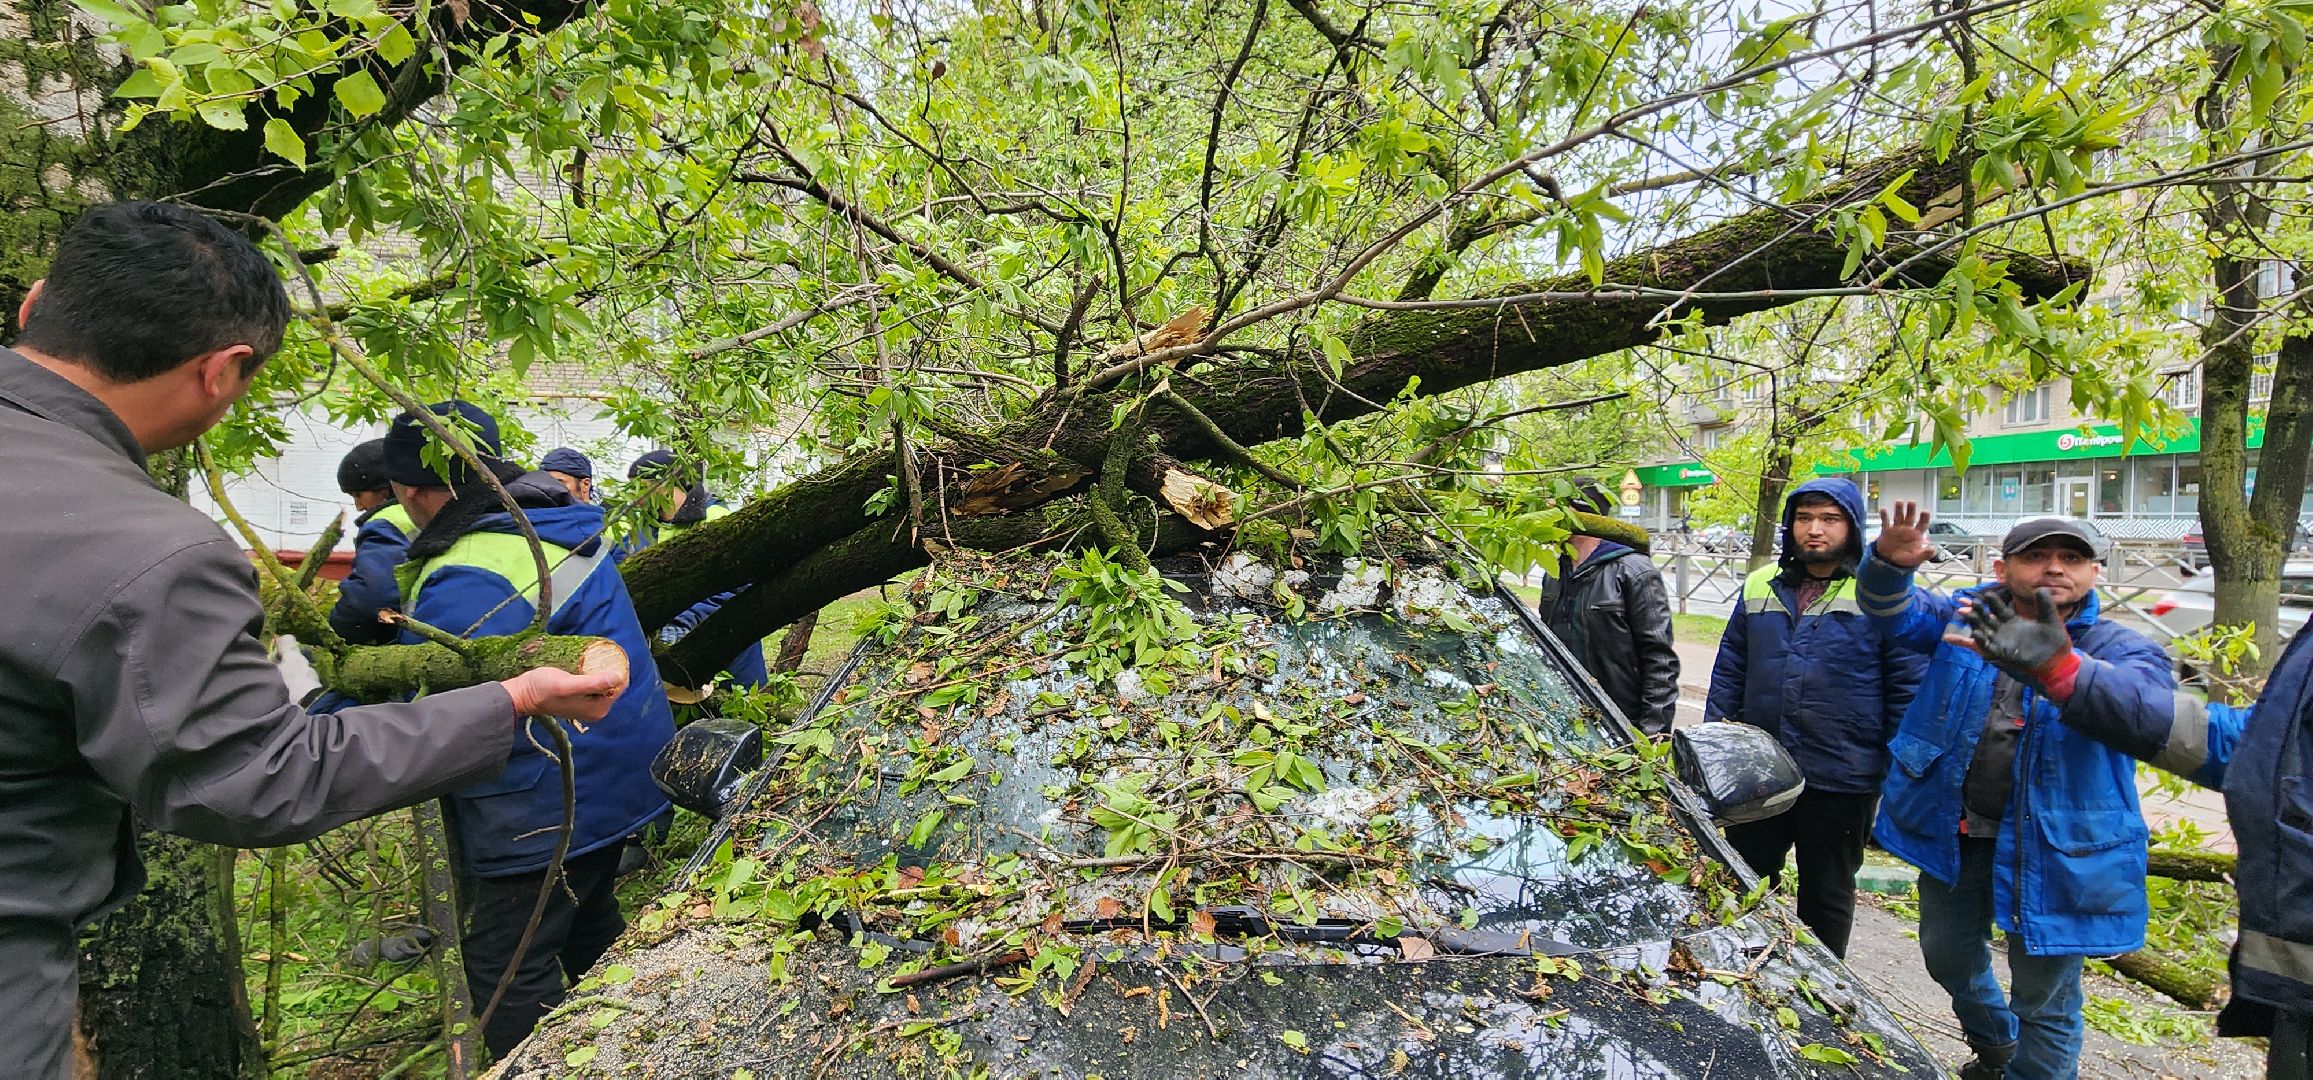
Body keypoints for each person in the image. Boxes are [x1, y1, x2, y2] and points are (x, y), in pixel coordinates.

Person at [0, 201, 624, 1080]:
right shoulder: (142, 549)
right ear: (224, 371)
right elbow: (260, 773)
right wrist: (512, 700)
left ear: (34, 306)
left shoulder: (132, 546)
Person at [385, 402, 677, 1056]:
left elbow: (448, 702)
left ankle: (556, 1064)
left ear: (413, 490)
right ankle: (642, 1044)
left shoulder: (469, 568)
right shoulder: (552, 519)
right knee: (587, 919)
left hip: (546, 801)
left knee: (506, 966)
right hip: (618, 771)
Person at [1862, 504, 2178, 1080]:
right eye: (2036, 556)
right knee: (1947, 955)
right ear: (2002, 569)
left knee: (2045, 1000)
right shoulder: (1966, 619)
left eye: (2071, 558)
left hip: (2058, 852)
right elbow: (1893, 614)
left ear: (2094, 573)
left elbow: (2145, 709)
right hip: (1960, 834)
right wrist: (1887, 566)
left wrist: (2061, 667)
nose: (2054, 567)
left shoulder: (2121, 648)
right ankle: (1998, 1047)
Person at [1703, 476, 1926, 960]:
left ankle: (1822, 986)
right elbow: (1731, 669)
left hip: (1843, 773)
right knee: (1744, 879)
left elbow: (1908, 689)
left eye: (1829, 519)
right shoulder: (1761, 584)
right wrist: (1717, 750)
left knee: (1827, 891)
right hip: (1759, 772)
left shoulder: (1879, 592)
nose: (1815, 530)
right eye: (1804, 518)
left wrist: (1898, 772)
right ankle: (1743, 969)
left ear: (1852, 526)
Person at [616, 448, 769, 688]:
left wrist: (685, 619)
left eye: (640, 486)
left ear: (665, 483)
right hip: (665, 655)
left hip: (727, 644)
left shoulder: (715, 518)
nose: (635, 496)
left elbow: (737, 585)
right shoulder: (640, 529)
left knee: (734, 704)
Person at [1537, 485, 1679, 734]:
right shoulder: (1555, 572)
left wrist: (1652, 735)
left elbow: (1659, 659)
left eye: (1558, 510)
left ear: (1580, 515)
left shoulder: (1634, 571)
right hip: (1564, 720)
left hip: (1618, 723)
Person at [328, 438, 416, 644]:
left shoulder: (385, 523)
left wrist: (333, 632)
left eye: (358, 495)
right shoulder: (421, 512)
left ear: (383, 489)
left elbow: (370, 597)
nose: (358, 506)